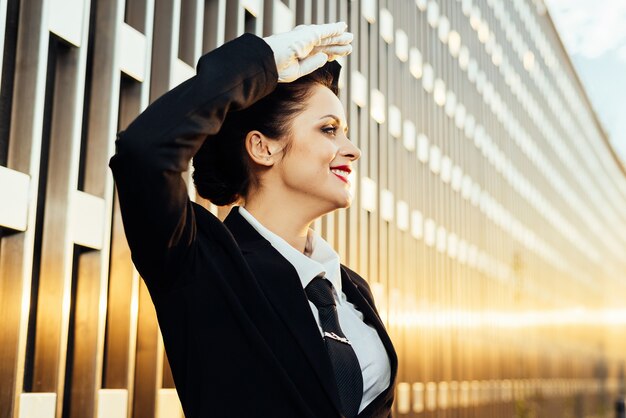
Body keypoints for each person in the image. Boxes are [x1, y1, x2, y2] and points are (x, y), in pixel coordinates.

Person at [110, 22, 397, 418]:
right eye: (329, 130)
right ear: (263, 147)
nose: (352, 150)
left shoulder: (350, 289)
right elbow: (143, 153)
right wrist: (259, 63)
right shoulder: (200, 264)